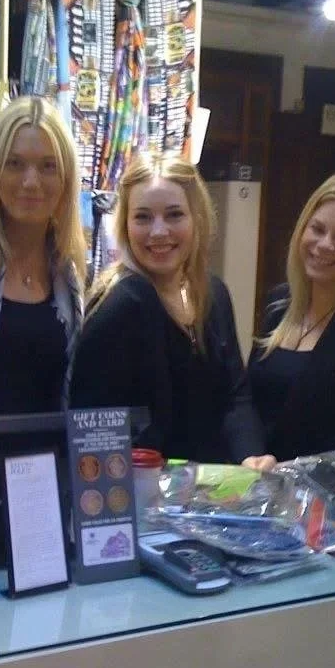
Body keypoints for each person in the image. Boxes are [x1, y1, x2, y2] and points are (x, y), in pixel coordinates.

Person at [70, 153, 273, 468]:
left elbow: (236, 395)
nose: (159, 231)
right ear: (124, 224)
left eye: (174, 215)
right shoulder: (121, 305)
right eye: (143, 217)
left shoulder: (213, 293)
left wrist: (252, 456)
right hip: (147, 500)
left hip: (214, 497)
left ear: (197, 218)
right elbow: (96, 430)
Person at [0, 96, 86, 417]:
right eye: (15, 164)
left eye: (48, 166)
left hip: (53, 462)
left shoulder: (72, 275)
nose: (31, 181)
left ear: (66, 180)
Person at [246, 172, 335, 461]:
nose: (325, 245)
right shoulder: (279, 303)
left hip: (328, 492)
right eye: (318, 229)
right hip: (261, 484)